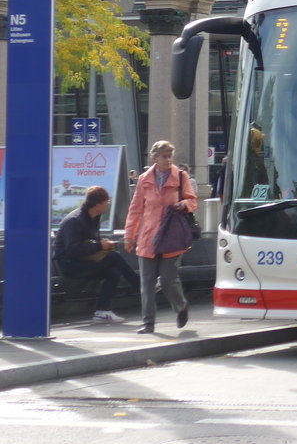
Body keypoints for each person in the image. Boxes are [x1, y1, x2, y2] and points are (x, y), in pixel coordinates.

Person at [124, 140, 198, 334]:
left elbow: (192, 201)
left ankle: (181, 306)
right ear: (154, 158)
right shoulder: (144, 179)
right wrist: (129, 235)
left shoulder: (181, 176)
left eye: (169, 156)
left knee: (167, 279)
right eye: (163, 156)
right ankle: (148, 323)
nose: (167, 160)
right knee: (146, 282)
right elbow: (136, 209)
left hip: (171, 235)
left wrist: (184, 204)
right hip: (148, 236)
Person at [53, 186, 139, 323]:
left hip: (84, 261)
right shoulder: (74, 221)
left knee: (113, 271)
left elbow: (90, 241)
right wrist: (100, 246)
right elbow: (72, 250)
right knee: (114, 257)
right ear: (98, 204)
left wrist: (103, 244)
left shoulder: (95, 217)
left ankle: (101, 311)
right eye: (106, 202)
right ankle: (141, 286)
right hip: (69, 264)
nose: (108, 204)